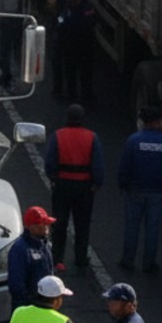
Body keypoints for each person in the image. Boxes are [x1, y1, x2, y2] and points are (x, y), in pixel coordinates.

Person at [117, 106, 162, 273]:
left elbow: (125, 165)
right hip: (158, 192)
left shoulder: (133, 140)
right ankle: (149, 263)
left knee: (132, 227)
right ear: (158, 121)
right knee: (153, 229)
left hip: (135, 190)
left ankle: (128, 259)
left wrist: (123, 184)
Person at [44, 104, 104, 271]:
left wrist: (54, 178)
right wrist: (96, 183)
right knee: (82, 223)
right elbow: (97, 165)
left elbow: (50, 162)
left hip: (62, 184)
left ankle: (57, 258)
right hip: (84, 186)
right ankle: (81, 257)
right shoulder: (91, 137)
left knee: (59, 222)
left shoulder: (58, 136)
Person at [56, 0, 98, 101]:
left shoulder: (87, 8)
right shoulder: (66, 6)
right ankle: (71, 96)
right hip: (69, 47)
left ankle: (87, 97)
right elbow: (60, 20)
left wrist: (67, 23)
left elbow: (86, 25)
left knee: (86, 74)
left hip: (84, 47)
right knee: (70, 73)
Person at [8, 206, 56, 311]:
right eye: (43, 224)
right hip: (28, 309)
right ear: (32, 227)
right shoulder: (19, 249)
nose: (47, 226)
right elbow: (16, 286)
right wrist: (32, 305)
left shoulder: (45, 244)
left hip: (43, 305)